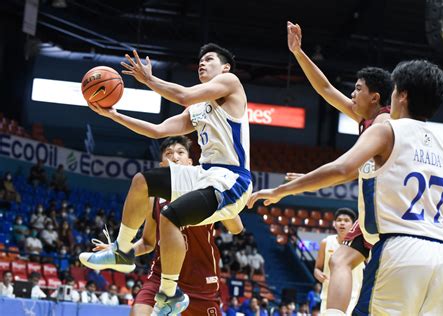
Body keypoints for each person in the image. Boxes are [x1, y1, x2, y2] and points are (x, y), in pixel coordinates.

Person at [248, 60, 443, 315]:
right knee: (342, 260)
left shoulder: (385, 130)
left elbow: (341, 169)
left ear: (402, 95)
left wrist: (280, 191)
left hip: (399, 245)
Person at [80, 43, 251, 314]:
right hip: (204, 174)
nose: (202, 64)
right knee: (142, 182)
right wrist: (114, 115)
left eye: (208, 59)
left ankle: (170, 294)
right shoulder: (198, 109)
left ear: (225, 67)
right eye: (200, 61)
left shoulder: (230, 82)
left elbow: (183, 95)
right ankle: (122, 251)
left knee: (170, 215)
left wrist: (149, 79)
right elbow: (158, 130)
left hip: (231, 178)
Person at [286, 21, 393, 313]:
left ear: (375, 97)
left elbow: (346, 169)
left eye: (358, 89)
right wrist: (298, 52)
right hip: (373, 212)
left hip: (391, 214)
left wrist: (304, 181)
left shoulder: (385, 124)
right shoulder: (367, 120)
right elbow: (324, 88)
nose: (352, 94)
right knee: (339, 260)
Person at [92, 136, 242, 315]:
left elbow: (236, 228)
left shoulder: (206, 189)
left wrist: (222, 197)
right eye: (168, 154)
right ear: (163, 164)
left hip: (200, 280)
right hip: (161, 278)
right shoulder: (154, 198)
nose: (175, 157)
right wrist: (121, 250)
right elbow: (147, 243)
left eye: (180, 152)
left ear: (190, 162)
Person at [314, 208, 362, 314]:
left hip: (354, 297)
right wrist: (319, 275)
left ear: (353, 225)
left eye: (346, 220)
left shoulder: (361, 245)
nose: (342, 223)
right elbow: (317, 268)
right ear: (334, 224)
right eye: (339, 220)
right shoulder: (326, 242)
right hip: (328, 296)